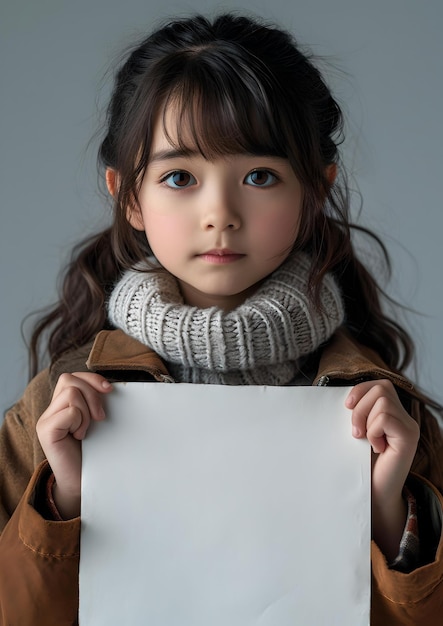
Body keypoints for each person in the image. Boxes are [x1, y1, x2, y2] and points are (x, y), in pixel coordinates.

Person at [0, 12, 442, 625]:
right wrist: (65, 497)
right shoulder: (55, 409)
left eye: (260, 176)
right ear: (129, 195)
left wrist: (386, 509)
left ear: (314, 191)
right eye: (179, 177)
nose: (220, 213)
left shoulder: (386, 416)